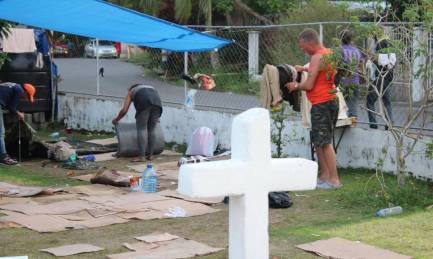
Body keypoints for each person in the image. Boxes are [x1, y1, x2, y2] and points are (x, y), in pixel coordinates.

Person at [286, 28, 341, 189]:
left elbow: (309, 85)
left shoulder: (317, 57)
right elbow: (324, 73)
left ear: (310, 42)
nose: (303, 50)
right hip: (328, 101)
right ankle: (324, 175)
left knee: (325, 142)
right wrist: (305, 70)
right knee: (318, 140)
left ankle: (334, 180)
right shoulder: (328, 53)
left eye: (303, 46)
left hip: (322, 103)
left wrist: (295, 85)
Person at [112, 84, 162, 162]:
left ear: (130, 89)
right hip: (158, 104)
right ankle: (151, 156)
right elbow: (154, 100)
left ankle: (142, 156)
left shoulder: (131, 91)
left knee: (142, 129)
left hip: (144, 103)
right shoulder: (151, 87)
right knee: (152, 129)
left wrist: (117, 119)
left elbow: (124, 110)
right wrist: (156, 117)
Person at [0, 82, 36, 165]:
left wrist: (17, 112)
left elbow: (9, 105)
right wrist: (19, 113)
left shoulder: (14, 86)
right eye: (27, 96)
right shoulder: (19, 90)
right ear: (26, 92)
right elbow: (12, 108)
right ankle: (3, 157)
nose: (25, 98)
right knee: (1, 133)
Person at [366, 32, 395, 130]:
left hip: (380, 76)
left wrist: (372, 59)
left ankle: (373, 124)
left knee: (370, 100)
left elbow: (381, 60)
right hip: (389, 76)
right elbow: (392, 62)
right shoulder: (390, 43)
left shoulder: (381, 43)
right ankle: (389, 124)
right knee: (387, 101)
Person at [338, 29, 364, 127]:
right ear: (351, 39)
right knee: (352, 104)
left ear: (340, 39)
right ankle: (353, 125)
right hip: (355, 80)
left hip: (342, 81)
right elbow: (361, 65)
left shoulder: (340, 50)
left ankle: (341, 123)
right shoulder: (357, 51)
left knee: (340, 104)